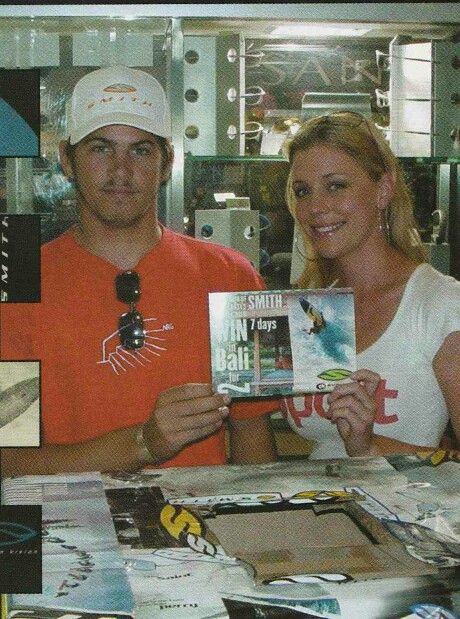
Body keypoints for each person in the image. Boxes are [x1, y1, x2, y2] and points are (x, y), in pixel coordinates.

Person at [0, 66, 278, 477]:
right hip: (71, 516)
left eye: (141, 150)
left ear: (167, 163)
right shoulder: (18, 281)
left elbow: (252, 437)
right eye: (100, 148)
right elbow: (8, 459)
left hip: (200, 514)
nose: (120, 170)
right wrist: (143, 443)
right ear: (66, 160)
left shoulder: (231, 277)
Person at [280, 111, 460, 459]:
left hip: (402, 498)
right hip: (311, 495)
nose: (315, 207)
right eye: (303, 191)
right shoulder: (314, 308)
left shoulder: (441, 304)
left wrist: (370, 447)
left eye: (336, 186)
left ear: (383, 190)